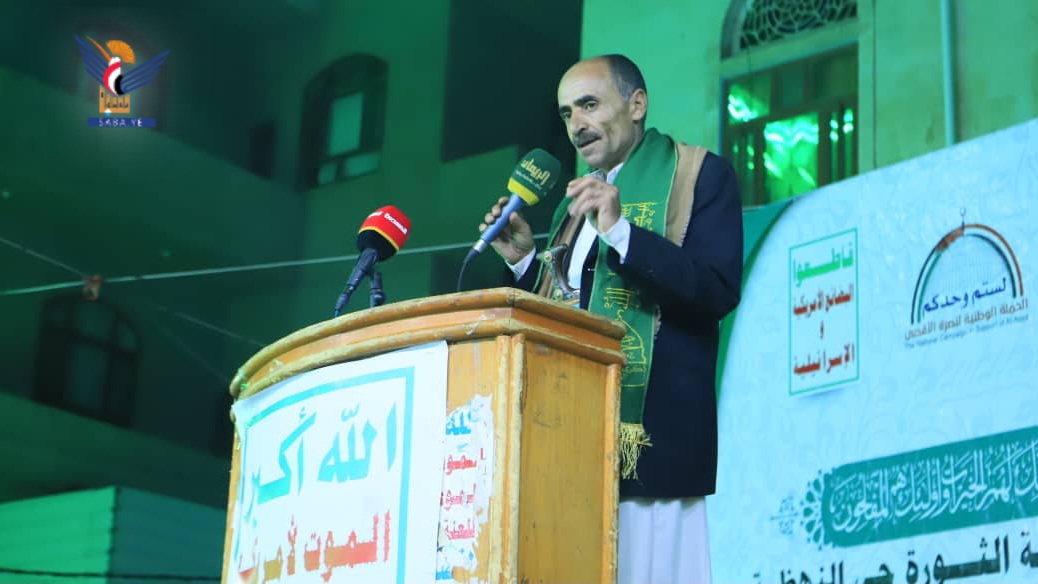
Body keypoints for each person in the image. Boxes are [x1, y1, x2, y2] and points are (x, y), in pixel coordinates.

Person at [478, 54, 743, 584]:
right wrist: (525, 262)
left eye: (589, 105)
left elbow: (715, 289)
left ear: (636, 104)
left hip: (651, 450)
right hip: (570, 440)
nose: (576, 124)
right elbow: (566, 309)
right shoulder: (572, 207)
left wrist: (621, 231)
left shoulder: (697, 175)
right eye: (566, 113)